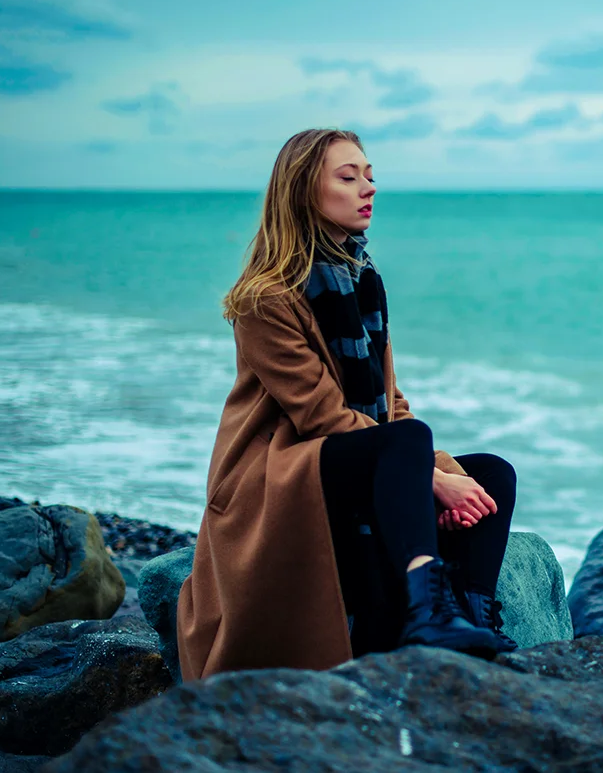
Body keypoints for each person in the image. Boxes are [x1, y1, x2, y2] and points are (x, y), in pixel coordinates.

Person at [175, 129, 518, 683]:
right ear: (304, 189)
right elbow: (320, 416)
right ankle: (427, 612)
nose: (369, 188)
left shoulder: (362, 280)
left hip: (352, 455)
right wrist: (430, 477)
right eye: (348, 175)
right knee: (412, 445)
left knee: (490, 473)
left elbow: (391, 401)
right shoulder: (266, 297)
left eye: (370, 174)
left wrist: (439, 472)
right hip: (278, 473)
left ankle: (471, 615)